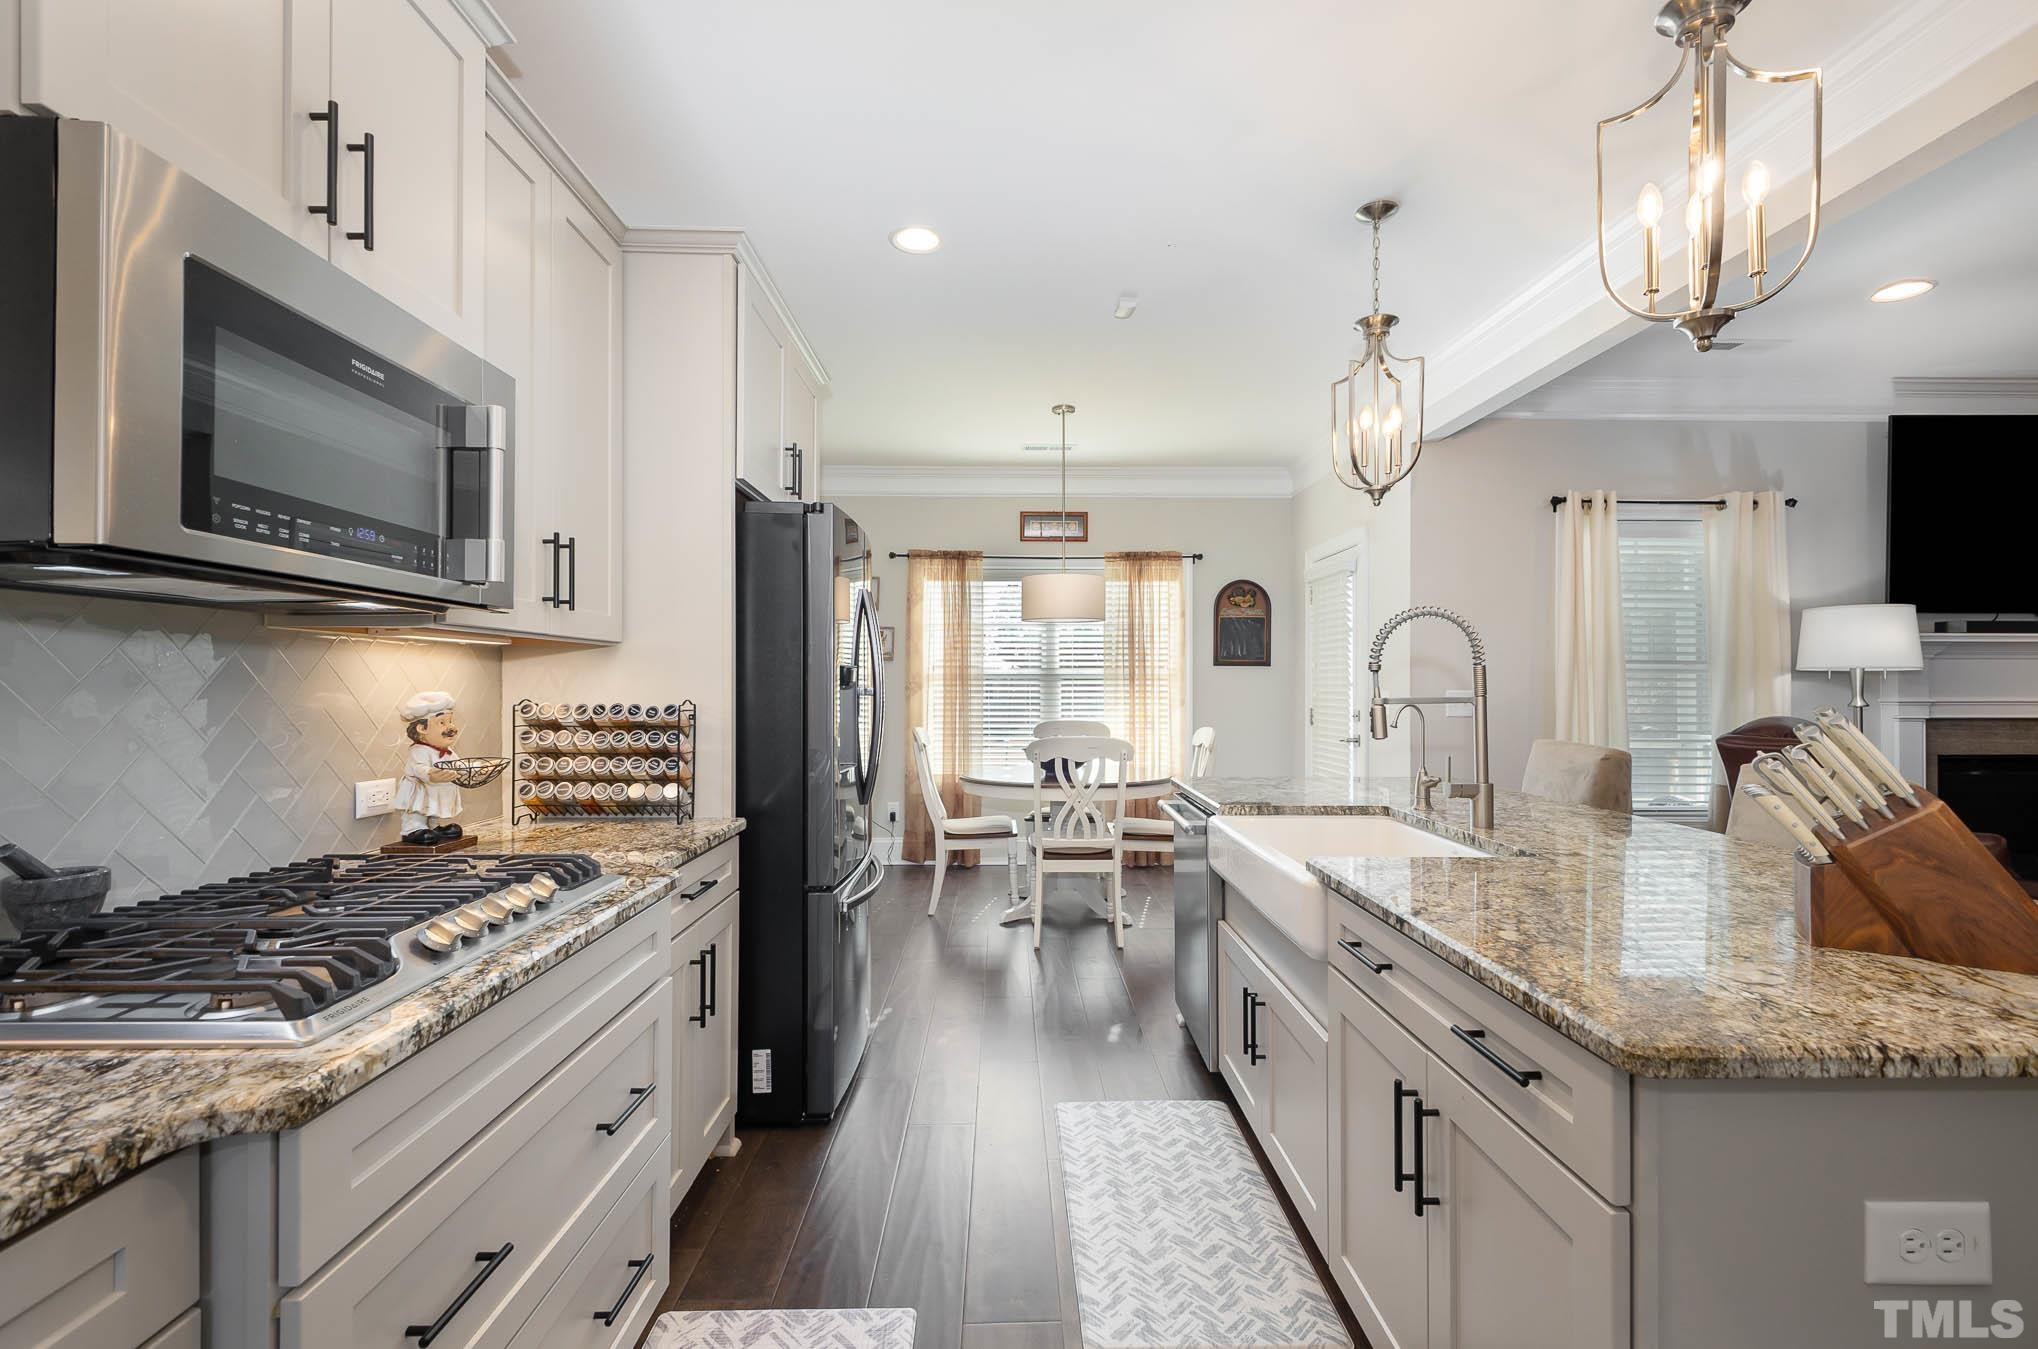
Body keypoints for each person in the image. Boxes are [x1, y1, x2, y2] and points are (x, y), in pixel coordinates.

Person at [395, 691, 465, 845]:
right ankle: (412, 829)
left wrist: (468, 769)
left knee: (433, 807)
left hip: (436, 789)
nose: (451, 727)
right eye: (442, 723)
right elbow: (417, 767)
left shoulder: (448, 750)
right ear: (422, 728)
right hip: (419, 789)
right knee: (418, 808)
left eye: (451, 721)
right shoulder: (419, 750)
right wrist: (430, 774)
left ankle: (433, 827)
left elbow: (458, 764)